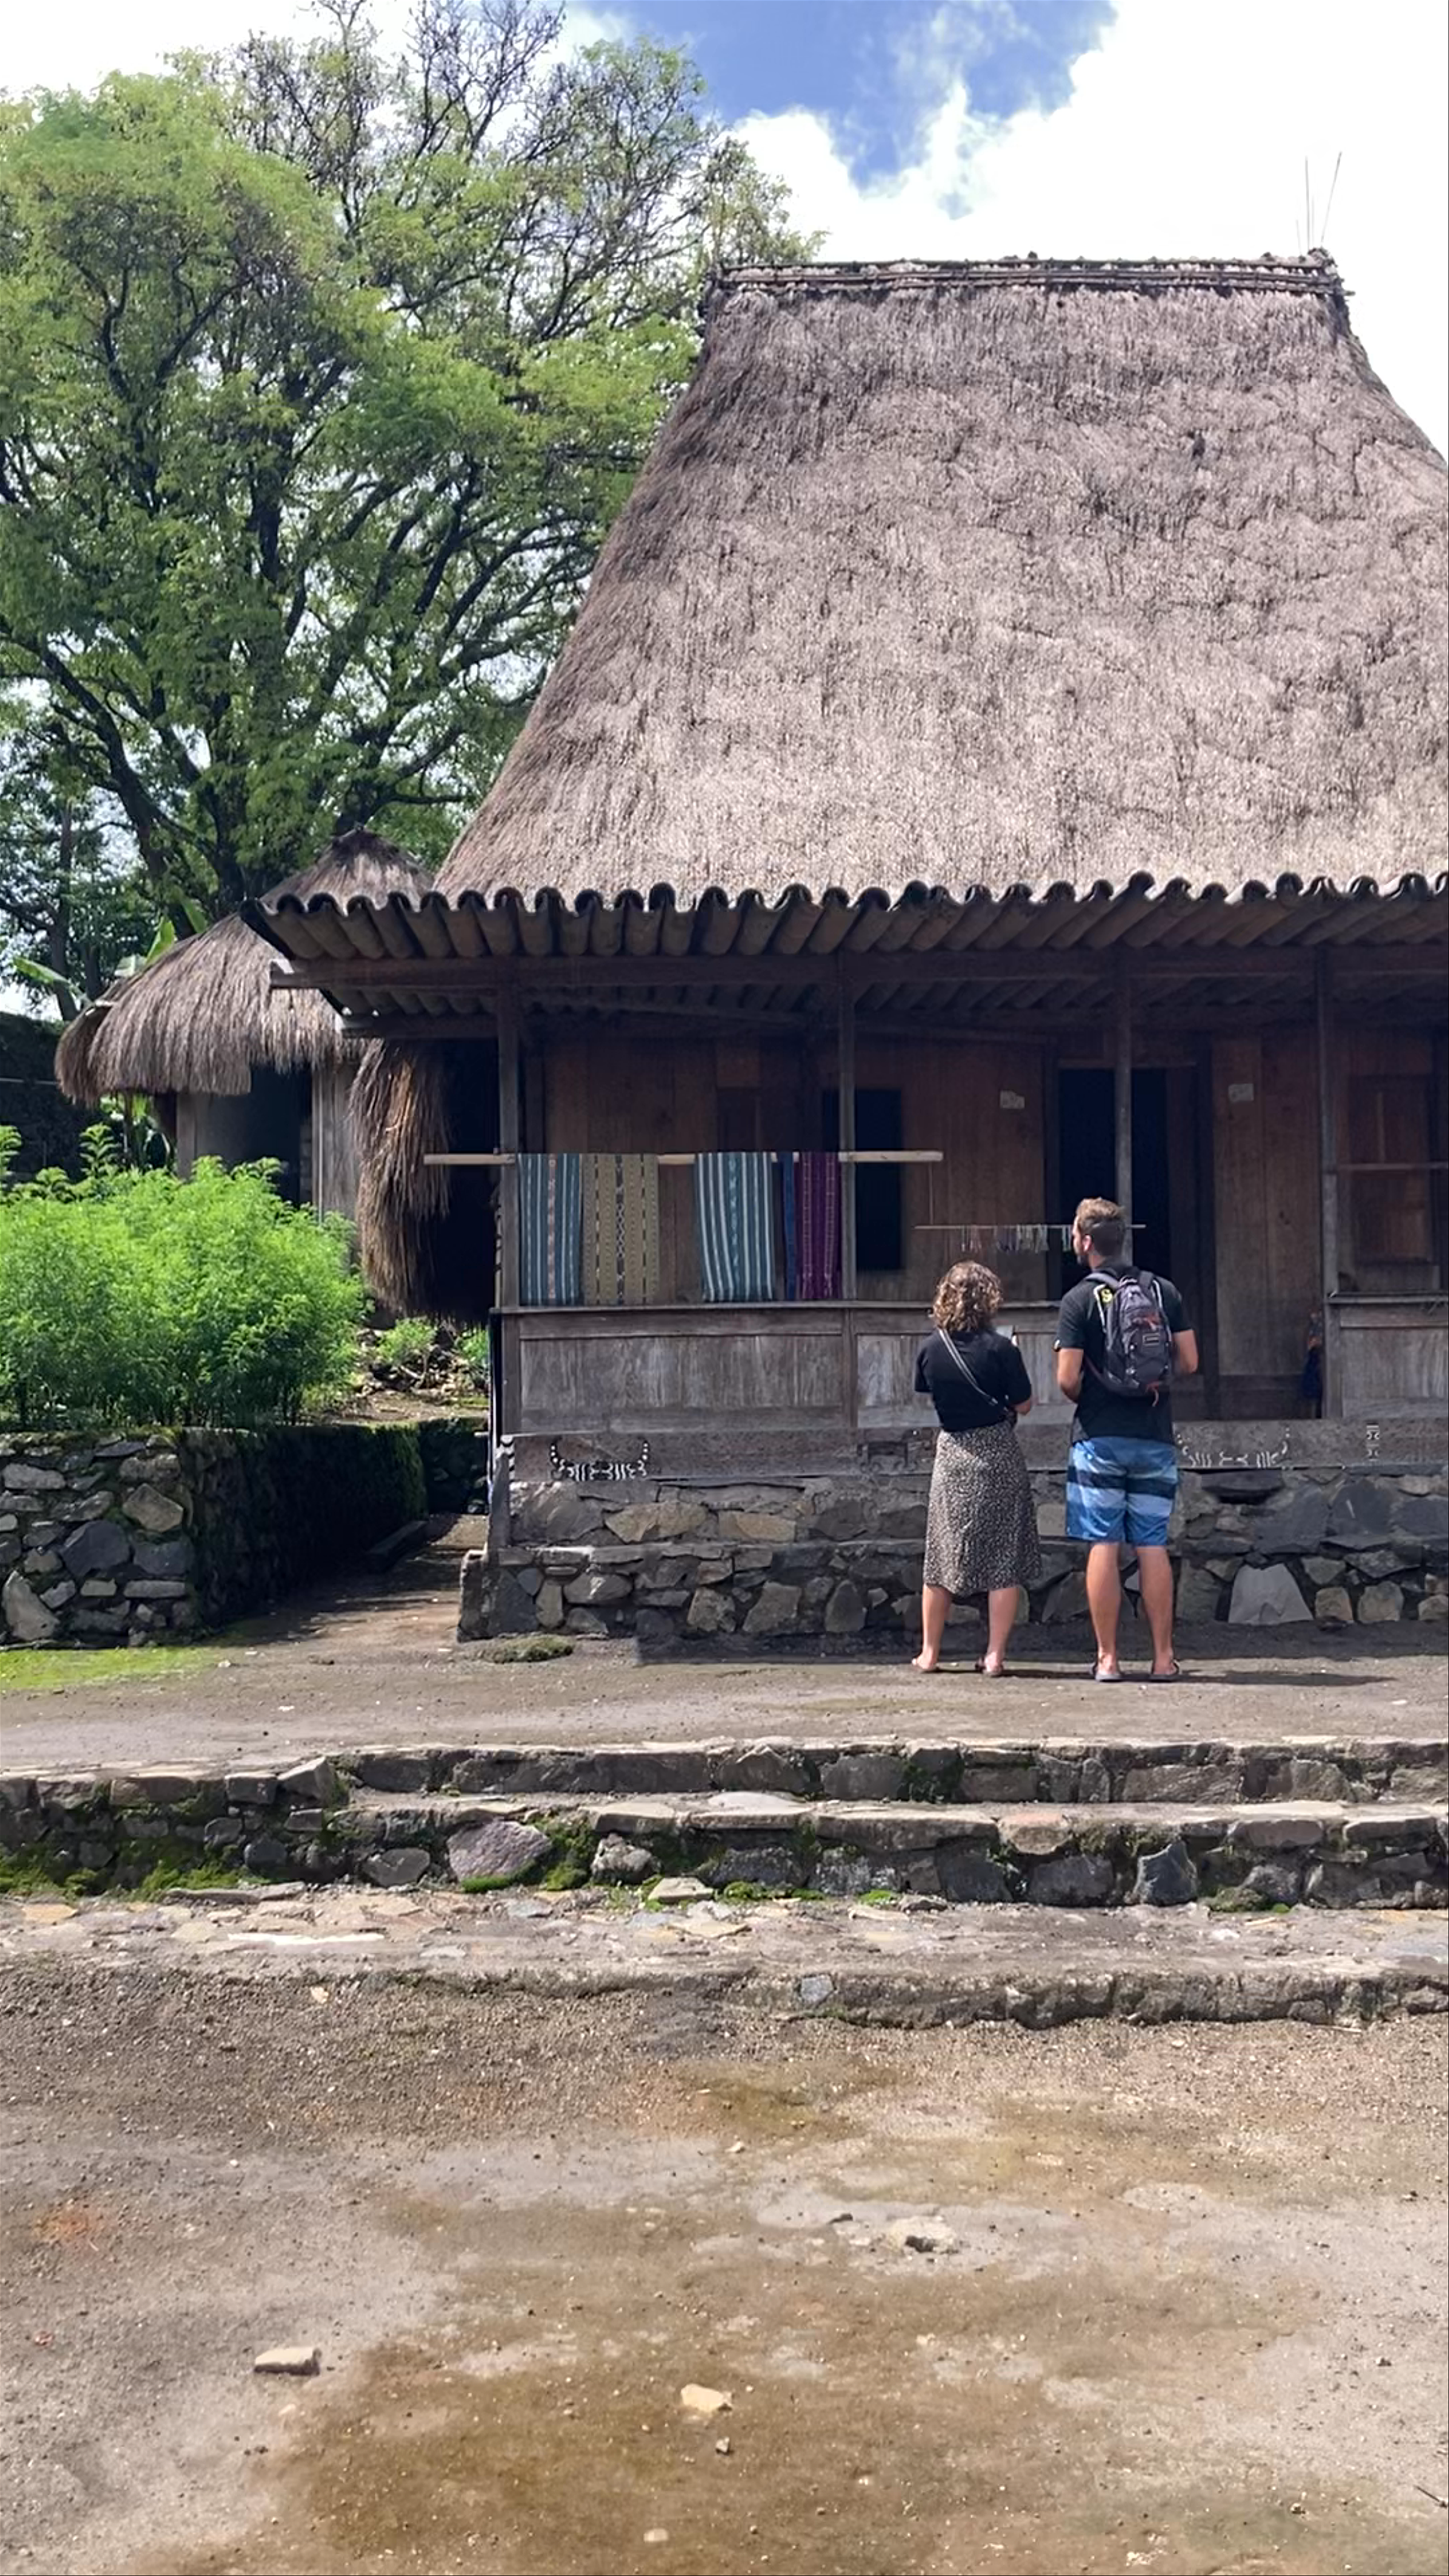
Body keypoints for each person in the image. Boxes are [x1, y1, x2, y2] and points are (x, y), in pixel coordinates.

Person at [1054, 1197, 1200, 1682]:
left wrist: (1098, 1388)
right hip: (1154, 1434)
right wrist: (1151, 1382)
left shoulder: (1079, 1300)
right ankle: (1163, 1659)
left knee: (1104, 1543)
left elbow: (1066, 1378)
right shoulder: (1164, 1291)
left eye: (1076, 1235)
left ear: (1087, 1241)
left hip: (1099, 1435)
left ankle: (1109, 1659)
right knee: (1151, 1544)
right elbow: (1191, 1361)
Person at [913, 1261, 1041, 1676]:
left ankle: (930, 1653)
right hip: (998, 1451)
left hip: (952, 1455)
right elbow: (1023, 1404)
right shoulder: (1003, 1349)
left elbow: (928, 1392)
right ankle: (995, 1657)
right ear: (989, 1300)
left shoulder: (931, 1349)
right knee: (1002, 1557)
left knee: (940, 1557)